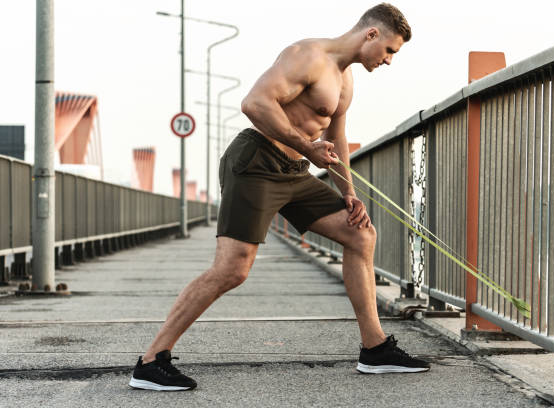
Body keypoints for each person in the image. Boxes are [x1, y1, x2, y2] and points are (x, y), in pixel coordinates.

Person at [129, 3, 430, 391]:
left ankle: (375, 350)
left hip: (294, 171)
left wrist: (349, 193)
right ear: (371, 34)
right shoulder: (306, 55)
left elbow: (335, 139)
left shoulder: (345, 80)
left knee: (360, 233)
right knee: (232, 270)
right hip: (255, 162)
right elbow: (254, 104)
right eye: (389, 51)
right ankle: (151, 361)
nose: (389, 61)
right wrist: (307, 147)